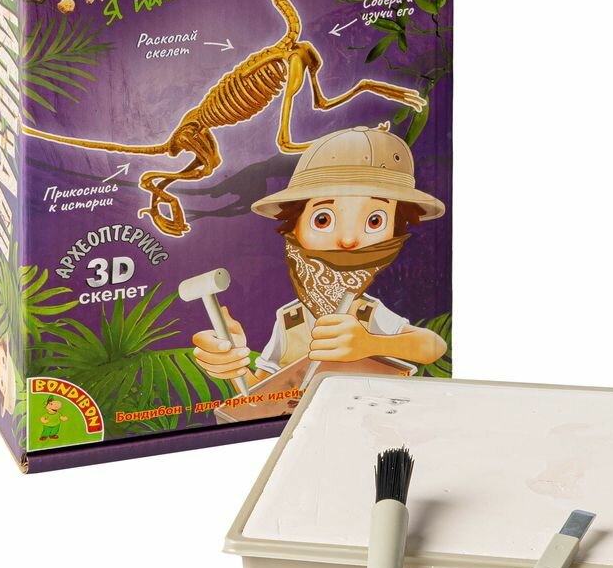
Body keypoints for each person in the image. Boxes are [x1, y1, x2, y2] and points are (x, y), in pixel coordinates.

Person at [191, 124, 446, 391]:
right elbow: (261, 394)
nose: (348, 240)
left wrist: (370, 343)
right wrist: (234, 365)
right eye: (323, 219)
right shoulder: (289, 320)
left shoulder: (367, 312)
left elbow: (432, 346)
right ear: (295, 223)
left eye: (375, 221)